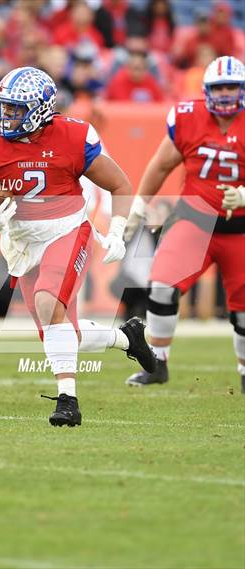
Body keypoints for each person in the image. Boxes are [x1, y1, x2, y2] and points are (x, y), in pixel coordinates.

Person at [0, 66, 156, 427]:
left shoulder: (72, 135)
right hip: (21, 242)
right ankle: (128, 338)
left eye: (17, 108)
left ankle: (68, 401)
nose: (7, 115)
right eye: (5, 106)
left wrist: (116, 230)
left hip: (66, 229)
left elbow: (120, 185)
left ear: (41, 109)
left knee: (49, 304)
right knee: (62, 330)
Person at [123, 56, 245, 392]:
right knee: (161, 285)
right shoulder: (189, 117)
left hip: (241, 232)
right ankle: (158, 364)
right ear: (207, 90)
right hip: (194, 221)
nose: (225, 93)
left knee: (244, 313)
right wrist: (139, 206)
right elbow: (161, 165)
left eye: (231, 86)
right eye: (219, 87)